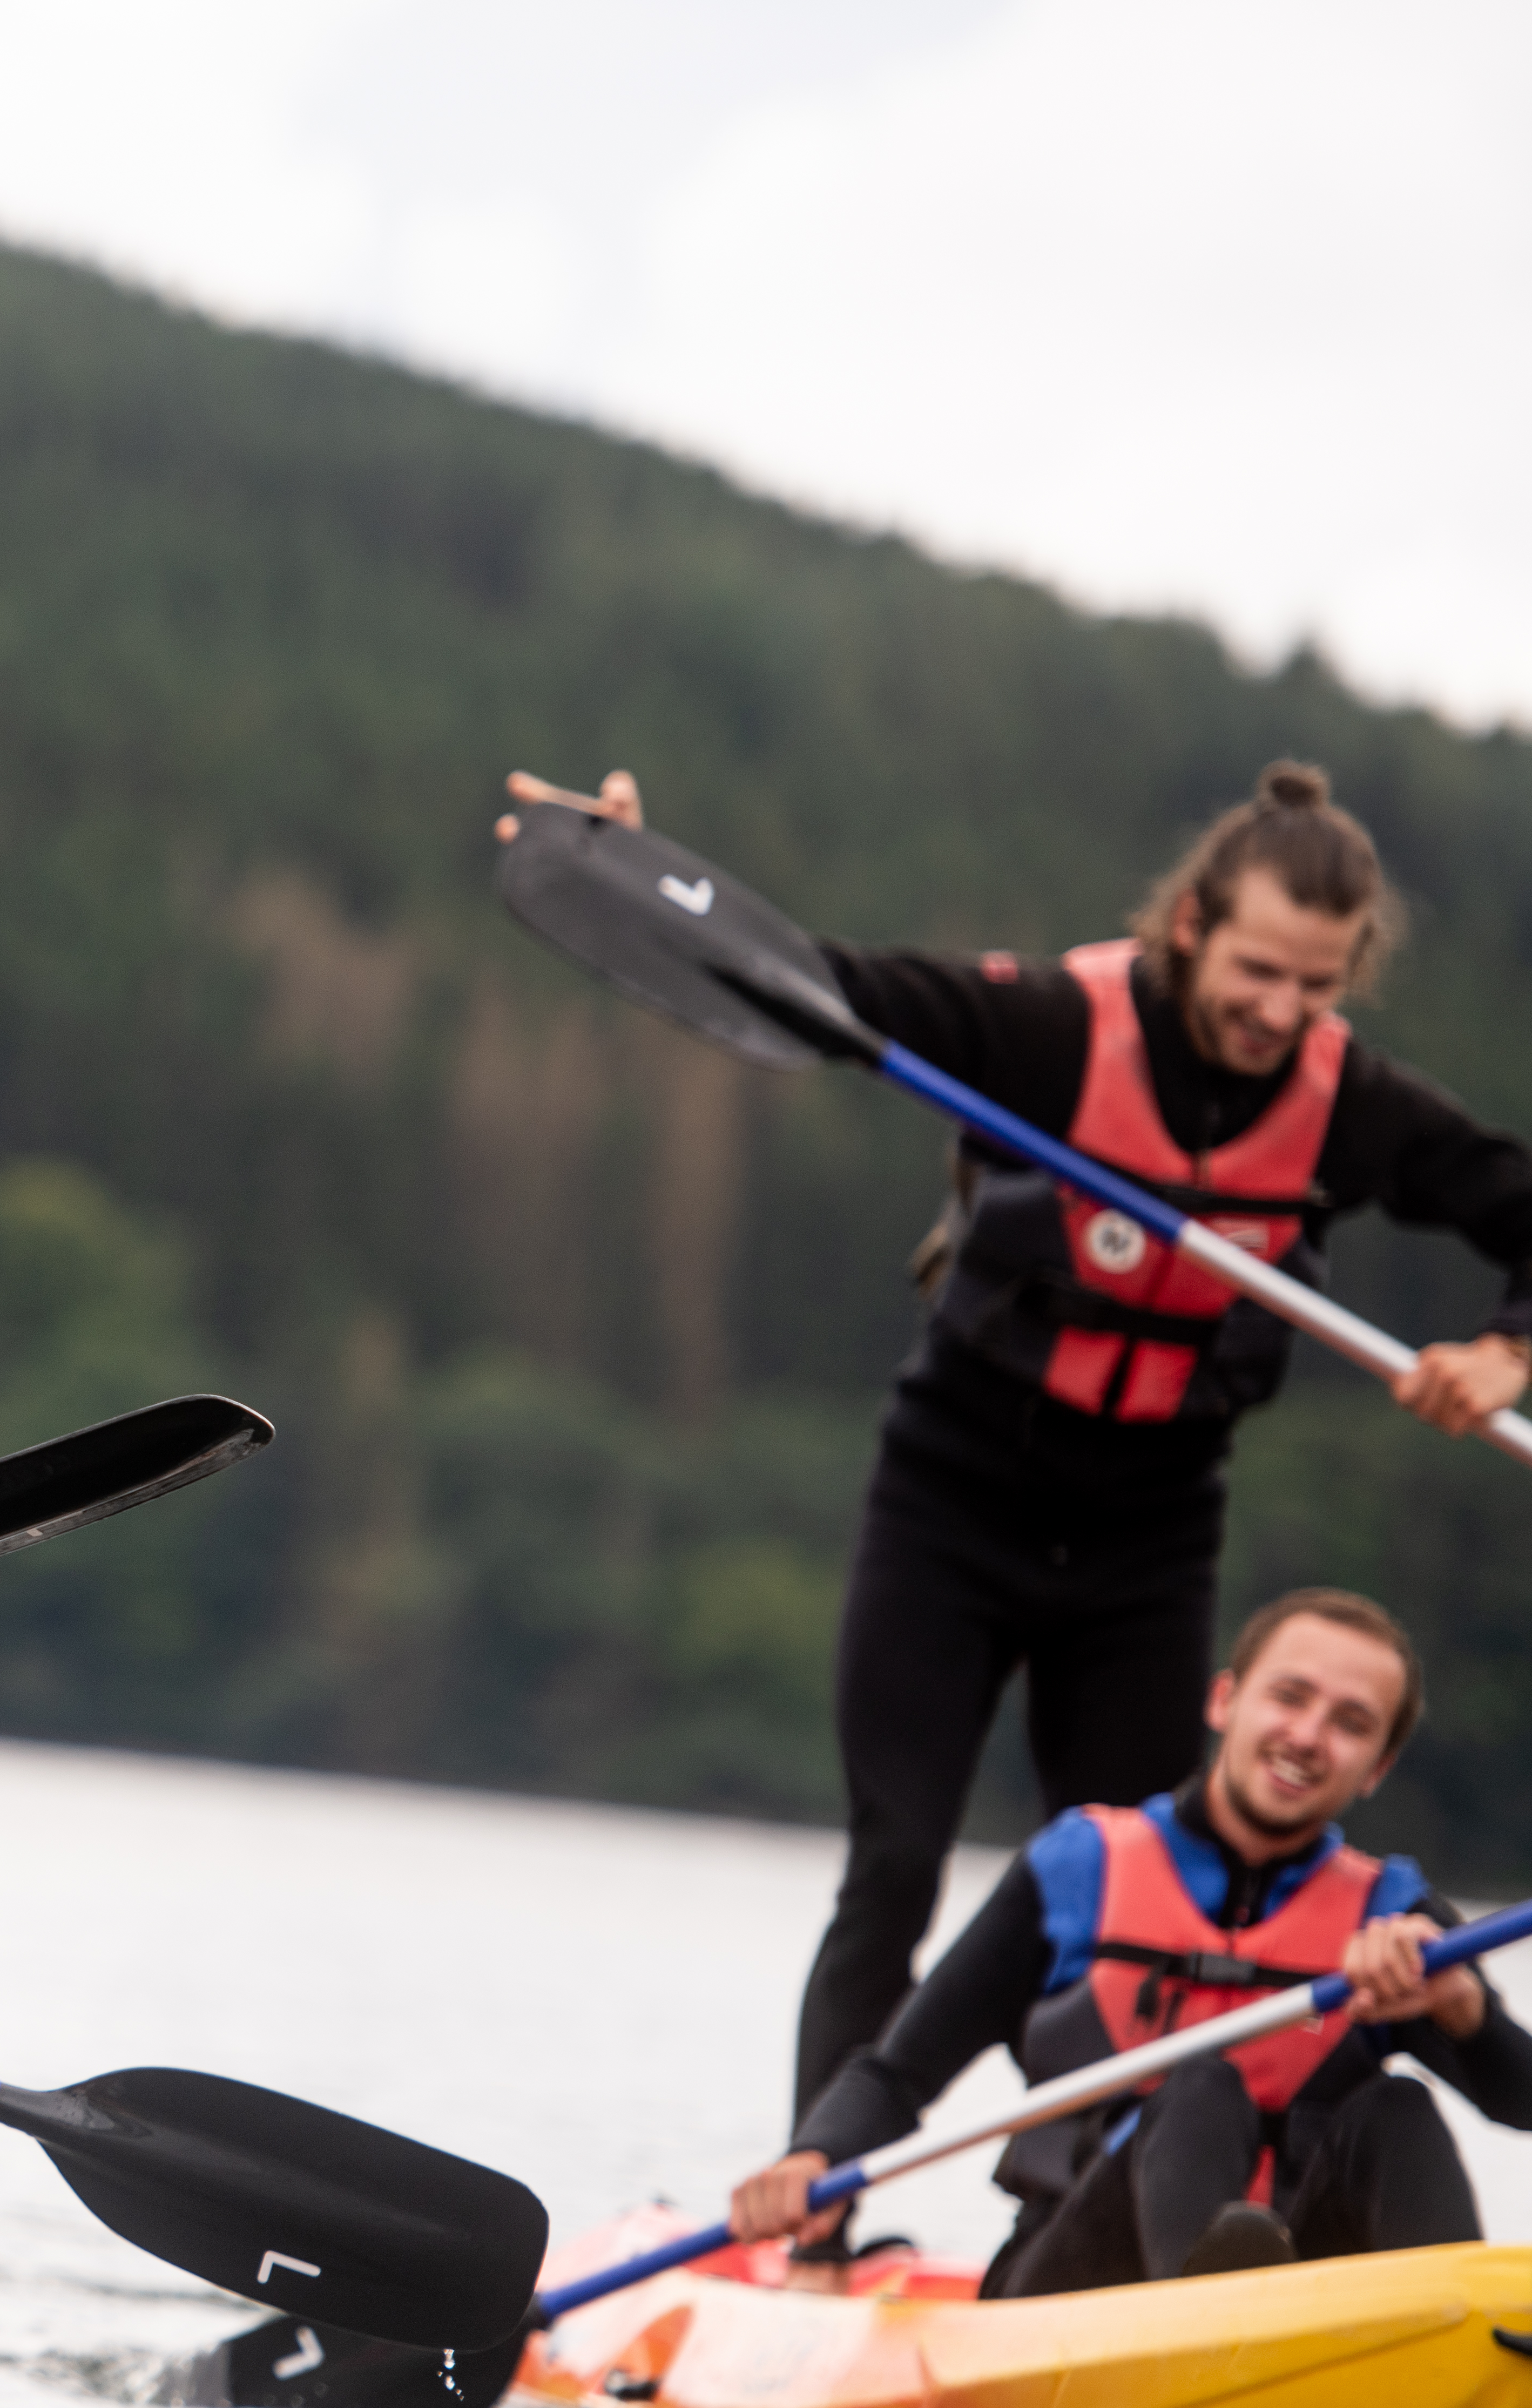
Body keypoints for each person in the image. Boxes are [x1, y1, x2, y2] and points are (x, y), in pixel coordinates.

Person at [508, 764, 1532, 2133]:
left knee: (1135, 1892)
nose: (1279, 1014)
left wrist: (1504, 1352)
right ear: (1189, 930)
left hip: (1149, 1541)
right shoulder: (1049, 1028)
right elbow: (824, 989)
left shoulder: (1351, 1109)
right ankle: (814, 2207)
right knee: (894, 1863)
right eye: (1257, 972)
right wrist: (636, 874)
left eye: (1317, 987)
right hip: (953, 1506)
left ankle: (1095, 2208)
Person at [729, 1592, 1532, 2294]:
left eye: (1351, 1724)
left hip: (1302, 2299)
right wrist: (814, 2156)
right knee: (1198, 2086)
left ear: (1377, 1768)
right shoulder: (1077, 1868)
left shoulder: (1397, 1919)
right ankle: (1215, 2331)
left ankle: (1450, 2337)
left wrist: (1462, 2009)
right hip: (1072, 2282)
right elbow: (900, 2073)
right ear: (1225, 1701)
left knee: (1400, 2108)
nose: (1310, 1735)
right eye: (1290, 1698)